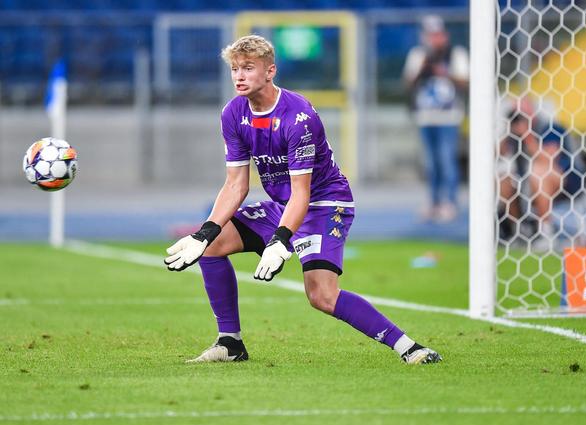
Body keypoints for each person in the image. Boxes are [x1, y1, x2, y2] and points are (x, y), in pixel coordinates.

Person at [164, 35, 441, 365]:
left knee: (321, 296)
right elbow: (236, 185)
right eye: (235, 69)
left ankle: (409, 348)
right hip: (285, 204)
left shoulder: (299, 117)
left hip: (325, 204)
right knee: (213, 245)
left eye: (248, 68)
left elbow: (302, 193)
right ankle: (231, 343)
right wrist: (204, 232)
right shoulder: (233, 114)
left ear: (270, 71)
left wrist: (281, 240)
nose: (239, 76)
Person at [402, 15, 469, 222]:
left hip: (449, 116)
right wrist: (423, 67)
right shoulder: (418, 54)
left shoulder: (456, 54)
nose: (434, 39)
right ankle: (433, 202)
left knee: (447, 160)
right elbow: (407, 83)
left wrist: (445, 74)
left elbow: (466, 81)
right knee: (431, 163)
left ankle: (449, 202)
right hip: (425, 116)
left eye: (437, 35)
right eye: (431, 35)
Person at [498, 98, 584, 251]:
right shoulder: (513, 135)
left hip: (563, 180)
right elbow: (498, 153)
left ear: (531, 113)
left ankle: (546, 232)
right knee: (503, 180)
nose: (518, 120)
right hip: (526, 184)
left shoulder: (550, 127)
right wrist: (508, 135)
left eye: (521, 116)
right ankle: (519, 230)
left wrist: (528, 136)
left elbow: (549, 158)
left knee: (538, 172)